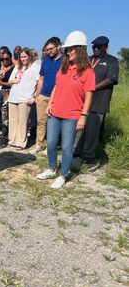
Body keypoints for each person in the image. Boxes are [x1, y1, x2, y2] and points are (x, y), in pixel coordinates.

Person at [37, 31, 95, 189]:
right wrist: (50, 104)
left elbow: (89, 96)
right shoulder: (64, 67)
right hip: (55, 112)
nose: (68, 51)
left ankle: (63, 175)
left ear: (81, 49)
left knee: (67, 147)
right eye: (67, 49)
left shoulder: (88, 72)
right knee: (50, 143)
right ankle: (51, 168)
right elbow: (56, 86)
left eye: (71, 49)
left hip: (72, 115)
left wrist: (83, 116)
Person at [74, 36, 119, 171]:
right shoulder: (88, 59)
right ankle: (77, 154)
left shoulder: (112, 61)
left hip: (99, 102)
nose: (96, 49)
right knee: (80, 130)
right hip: (83, 101)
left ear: (105, 47)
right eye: (94, 47)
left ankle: (89, 159)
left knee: (93, 131)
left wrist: (92, 87)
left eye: (99, 47)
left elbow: (111, 79)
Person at [7, 47, 40, 149]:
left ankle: (21, 142)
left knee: (23, 122)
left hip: (25, 98)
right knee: (13, 121)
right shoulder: (17, 66)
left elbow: (39, 82)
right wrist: (15, 80)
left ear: (30, 56)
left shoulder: (35, 67)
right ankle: (12, 140)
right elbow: (9, 81)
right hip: (13, 97)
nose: (23, 59)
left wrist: (35, 96)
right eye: (21, 57)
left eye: (25, 56)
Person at [34, 37, 63, 152]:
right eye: (47, 50)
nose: (48, 51)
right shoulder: (46, 60)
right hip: (43, 95)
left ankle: (52, 146)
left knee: (54, 124)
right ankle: (39, 144)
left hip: (57, 97)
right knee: (41, 121)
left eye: (51, 49)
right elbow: (41, 78)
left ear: (58, 47)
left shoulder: (64, 61)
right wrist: (37, 95)